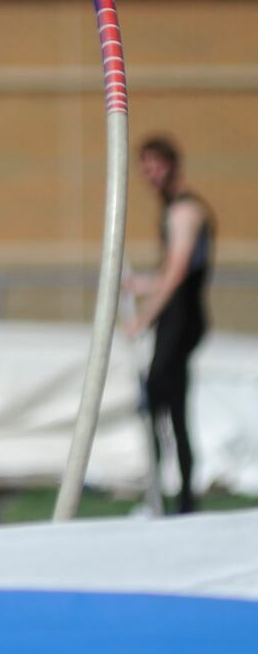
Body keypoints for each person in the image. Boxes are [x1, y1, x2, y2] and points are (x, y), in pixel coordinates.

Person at [123, 136, 215, 514]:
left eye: (156, 165)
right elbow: (168, 274)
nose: (150, 173)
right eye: (145, 166)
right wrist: (141, 284)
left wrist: (143, 318)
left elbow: (177, 275)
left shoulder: (185, 211)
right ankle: (172, 497)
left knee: (159, 397)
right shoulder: (174, 210)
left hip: (182, 320)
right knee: (169, 406)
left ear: (173, 164)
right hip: (174, 317)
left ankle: (177, 499)